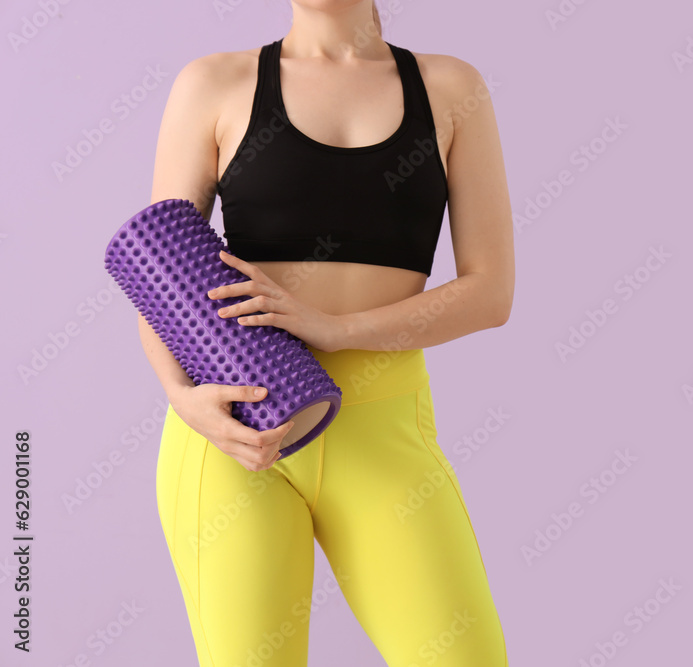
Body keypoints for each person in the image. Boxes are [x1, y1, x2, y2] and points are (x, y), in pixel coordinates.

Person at [139, 1, 513, 664]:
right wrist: (179, 394)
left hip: (383, 431)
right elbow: (158, 271)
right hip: (233, 431)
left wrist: (338, 329)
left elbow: (490, 292)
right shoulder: (214, 84)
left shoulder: (451, 88)